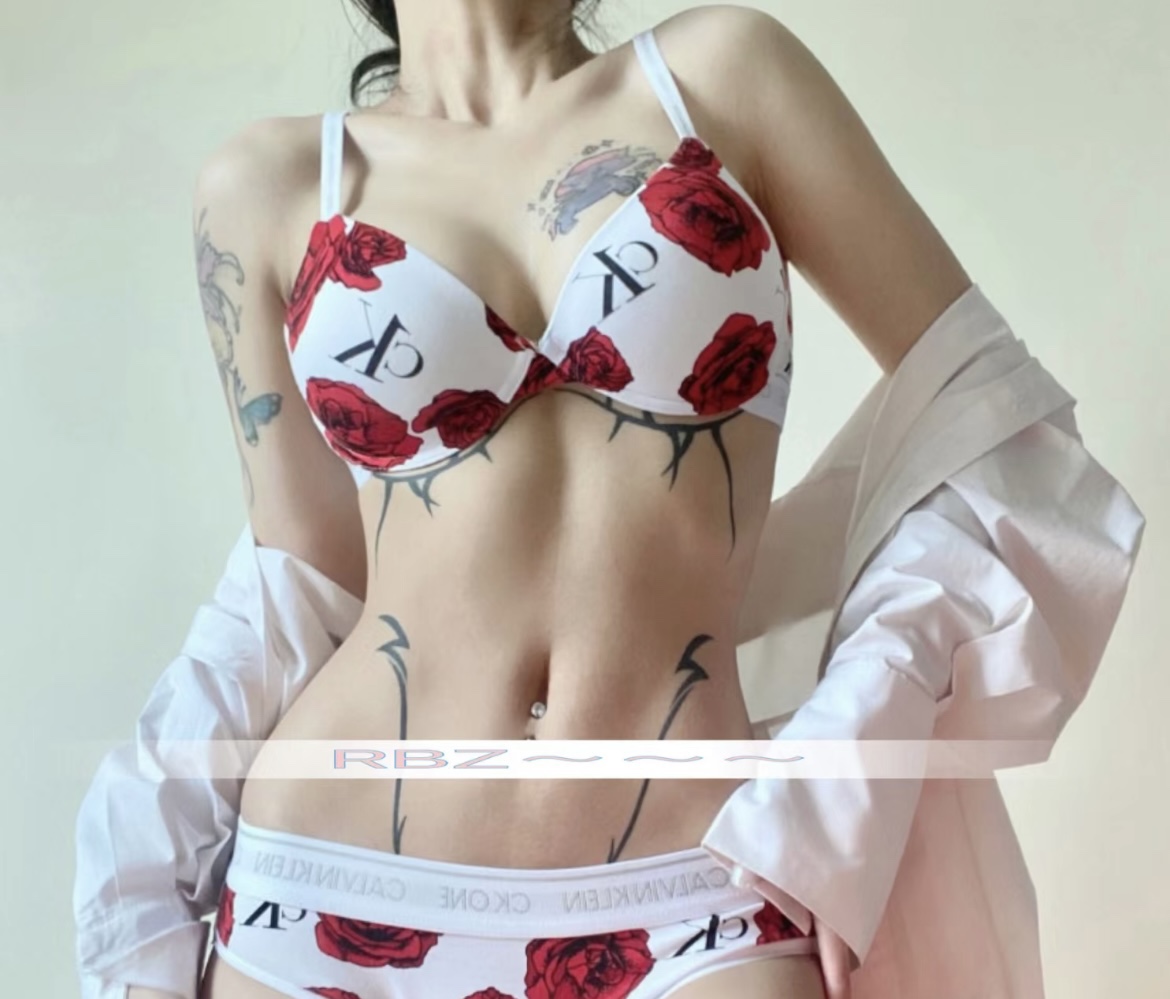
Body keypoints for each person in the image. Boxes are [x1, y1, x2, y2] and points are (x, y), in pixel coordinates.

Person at [73, 3, 1147, 999]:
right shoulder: (268, 186)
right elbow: (294, 588)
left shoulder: (722, 79)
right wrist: (144, 881)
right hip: (324, 882)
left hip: (696, 886)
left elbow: (993, 418)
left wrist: (843, 766)